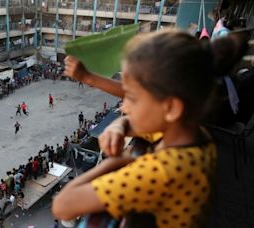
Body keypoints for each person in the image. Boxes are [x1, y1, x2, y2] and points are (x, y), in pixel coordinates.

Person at [52, 30, 249, 227]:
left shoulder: (162, 172)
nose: (124, 107)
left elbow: (63, 206)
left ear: (171, 108)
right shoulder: (190, 133)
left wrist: (114, 163)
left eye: (133, 98)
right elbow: (137, 125)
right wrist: (119, 125)